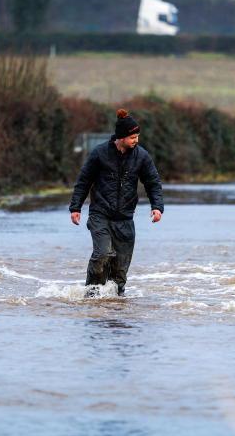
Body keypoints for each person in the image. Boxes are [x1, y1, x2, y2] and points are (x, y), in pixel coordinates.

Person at [69, 108, 164, 297]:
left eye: (137, 136)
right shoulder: (99, 154)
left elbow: (153, 182)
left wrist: (157, 207)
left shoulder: (142, 156)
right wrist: (76, 207)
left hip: (125, 219)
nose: (136, 140)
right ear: (121, 137)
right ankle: (91, 294)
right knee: (103, 254)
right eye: (132, 137)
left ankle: (115, 306)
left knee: (120, 273)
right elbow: (84, 180)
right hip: (100, 215)